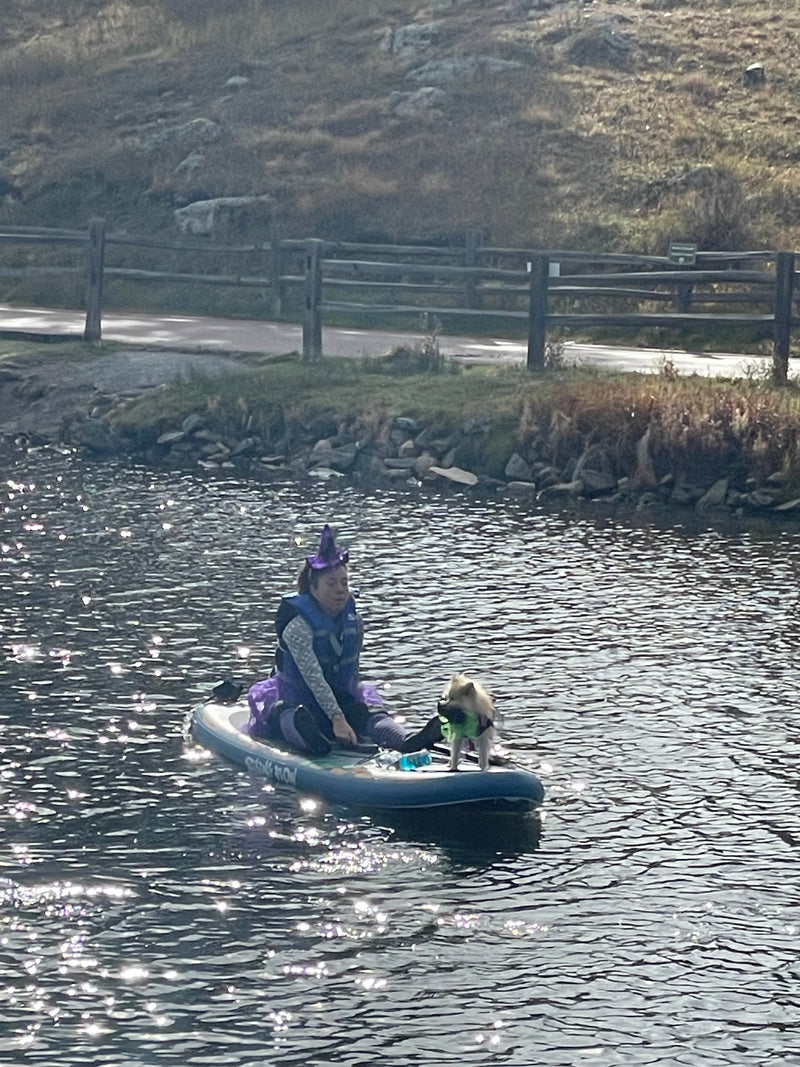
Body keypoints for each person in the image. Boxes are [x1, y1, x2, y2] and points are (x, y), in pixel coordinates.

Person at [246, 525, 441, 757]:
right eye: (331, 584)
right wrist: (337, 719)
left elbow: (352, 671)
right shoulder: (297, 626)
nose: (340, 590)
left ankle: (406, 739)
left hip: (337, 695)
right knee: (286, 713)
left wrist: (349, 711)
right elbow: (314, 679)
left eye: (344, 583)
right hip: (297, 696)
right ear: (313, 589)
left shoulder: (354, 621)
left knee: (365, 710)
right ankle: (310, 738)